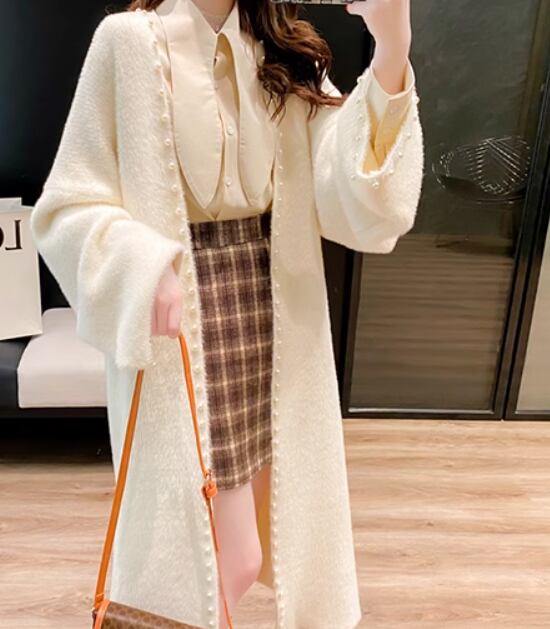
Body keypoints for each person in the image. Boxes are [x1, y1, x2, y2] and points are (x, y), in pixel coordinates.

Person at [30, 0, 423, 627]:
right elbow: (66, 207)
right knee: (211, 554)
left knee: (240, 551)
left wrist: (392, 47)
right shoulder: (126, 43)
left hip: (273, 317)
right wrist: (140, 264)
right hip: (183, 322)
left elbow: (362, 199)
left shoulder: (284, 55)